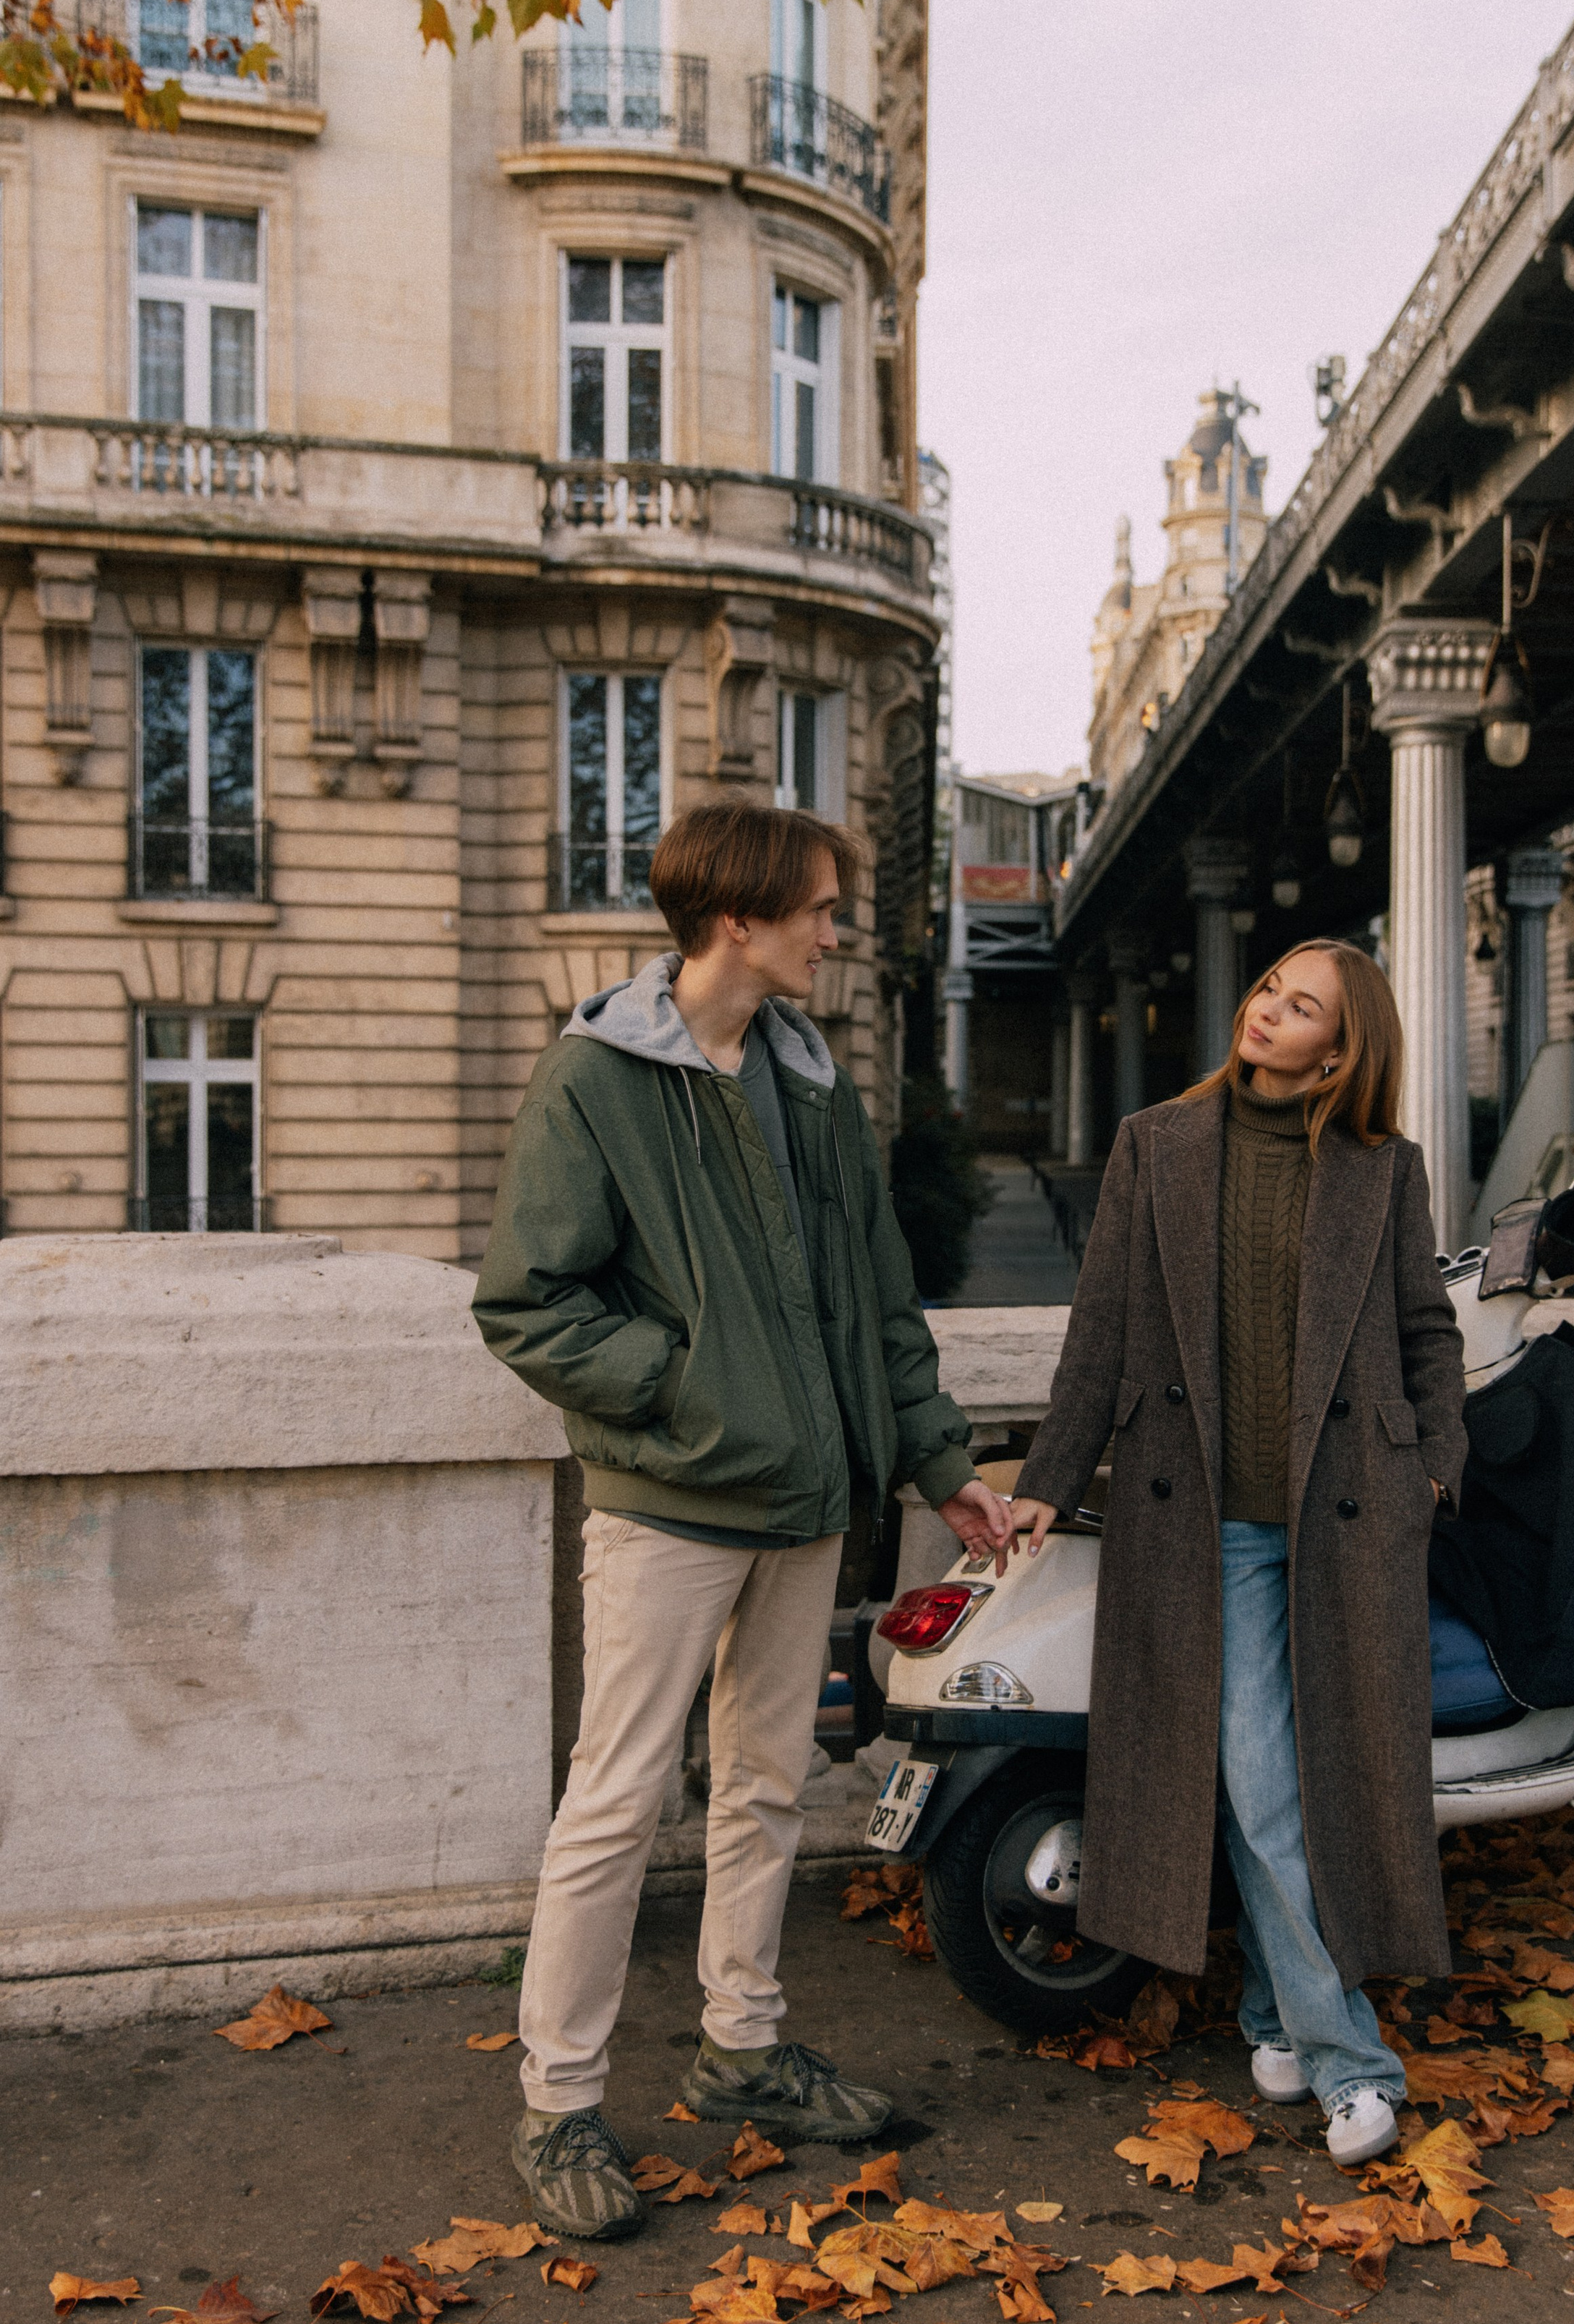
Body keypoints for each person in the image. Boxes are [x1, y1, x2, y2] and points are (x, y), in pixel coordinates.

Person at [473, 802, 1016, 2238]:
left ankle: (743, 2048)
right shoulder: (597, 1078)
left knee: (767, 1782)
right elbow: (527, 1302)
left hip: (812, 1496)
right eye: (821, 907)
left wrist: (934, 1457)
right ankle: (560, 2101)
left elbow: (877, 1297)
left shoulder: (814, 1080)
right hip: (673, 1504)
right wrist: (685, 1390)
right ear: (738, 918)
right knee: (615, 1800)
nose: (838, 930)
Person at [1011, 942, 1465, 2168]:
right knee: (1266, 1786)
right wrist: (1047, 1481)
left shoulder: (1384, 1167)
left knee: (1316, 1779)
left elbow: (1429, 1329)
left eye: (1300, 1005)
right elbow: (1098, 1329)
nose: (1266, 1010)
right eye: (1266, 986)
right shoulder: (1156, 1142)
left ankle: (1275, 2013)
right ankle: (1350, 2057)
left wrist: (1435, 1463)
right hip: (1207, 1521)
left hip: (1348, 1515)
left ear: (1343, 1047)